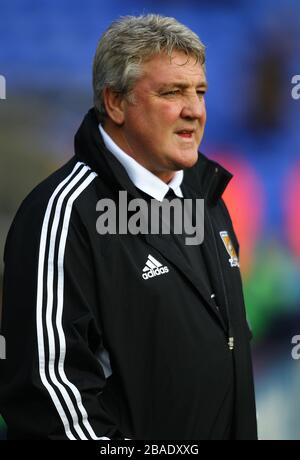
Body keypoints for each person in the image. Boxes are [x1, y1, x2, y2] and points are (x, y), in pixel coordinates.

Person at [0, 14, 257, 440]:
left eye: (200, 92)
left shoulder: (208, 197)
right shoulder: (63, 213)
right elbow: (47, 390)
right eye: (171, 92)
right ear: (116, 103)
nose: (194, 110)